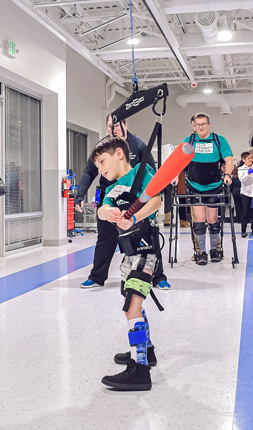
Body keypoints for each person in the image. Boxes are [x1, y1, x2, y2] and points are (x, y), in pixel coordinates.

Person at [94, 136, 162, 391]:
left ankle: (140, 370)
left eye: (102, 161)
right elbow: (102, 208)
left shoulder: (142, 173)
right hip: (129, 254)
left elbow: (155, 201)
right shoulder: (114, 188)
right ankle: (147, 351)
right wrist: (106, 212)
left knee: (133, 305)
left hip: (146, 250)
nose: (101, 169)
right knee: (130, 305)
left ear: (119, 154)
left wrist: (134, 218)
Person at [75, 114, 169, 290]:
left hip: (140, 206)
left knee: (149, 241)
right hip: (112, 198)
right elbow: (89, 173)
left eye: (116, 125)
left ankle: (158, 277)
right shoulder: (102, 150)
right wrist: (82, 197)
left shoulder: (138, 145)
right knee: (105, 239)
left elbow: (154, 190)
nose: (113, 129)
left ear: (125, 125)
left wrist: (137, 215)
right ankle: (97, 276)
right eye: (110, 126)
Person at [181, 113, 234, 265]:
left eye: (204, 123)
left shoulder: (219, 140)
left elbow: (228, 159)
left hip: (214, 185)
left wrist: (228, 174)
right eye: (198, 124)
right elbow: (178, 160)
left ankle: (214, 250)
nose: (201, 127)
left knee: (212, 220)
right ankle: (201, 252)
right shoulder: (189, 141)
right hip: (195, 185)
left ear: (209, 124)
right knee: (199, 219)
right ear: (194, 126)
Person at [238, 152, 253, 238]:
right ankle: (243, 230)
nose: (251, 160)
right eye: (248, 158)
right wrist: (248, 173)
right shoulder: (241, 169)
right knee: (245, 212)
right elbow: (242, 179)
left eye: (251, 158)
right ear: (243, 160)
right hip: (246, 192)